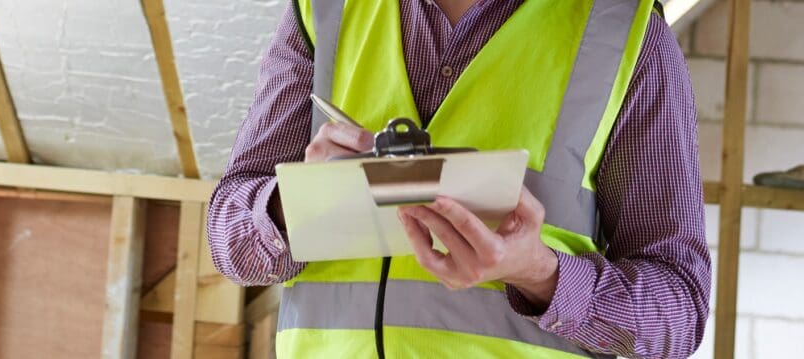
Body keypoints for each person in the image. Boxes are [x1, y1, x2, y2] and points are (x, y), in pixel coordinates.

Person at [207, 0, 710, 357]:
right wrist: (291, 207)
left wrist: (539, 273)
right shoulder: (324, 11)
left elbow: (677, 314)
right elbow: (229, 238)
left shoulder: (621, 31)